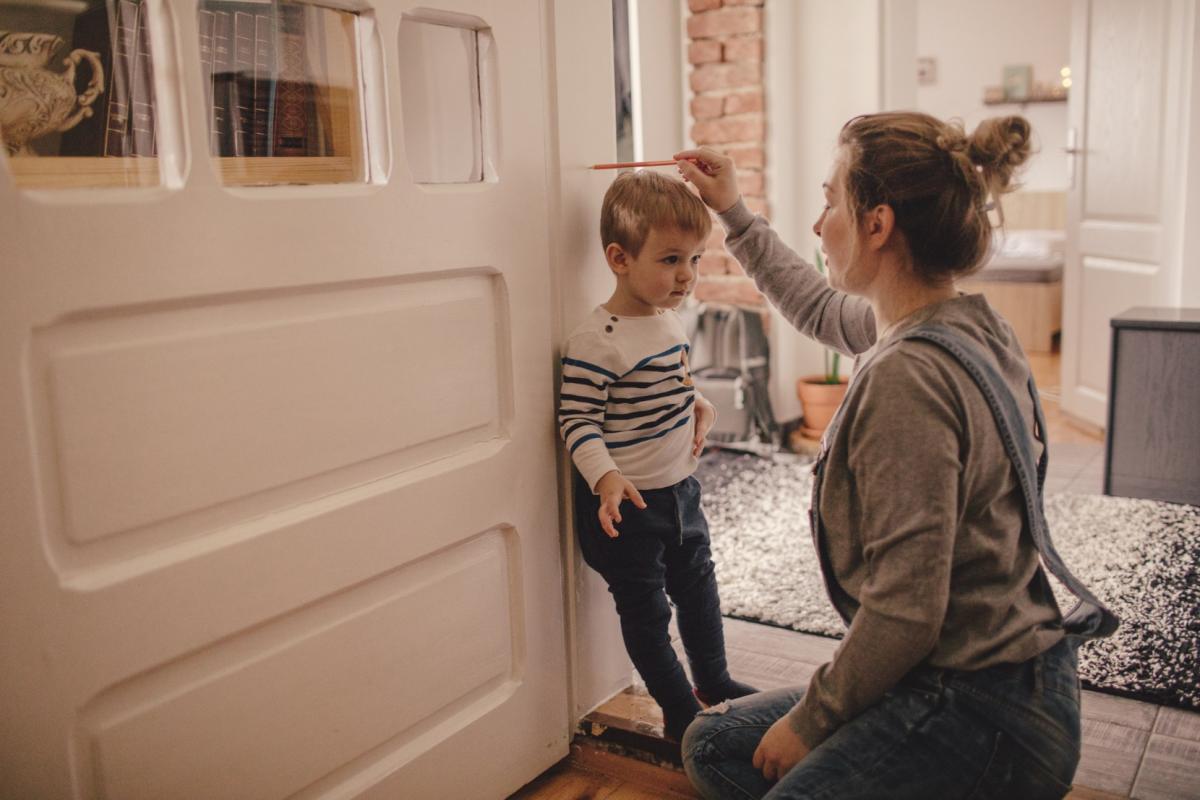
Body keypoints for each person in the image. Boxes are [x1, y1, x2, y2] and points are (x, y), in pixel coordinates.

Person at [672, 113, 1118, 799]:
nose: (820, 226)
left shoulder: (907, 378)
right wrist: (732, 210)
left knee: (767, 759)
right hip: (992, 677)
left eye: (830, 203)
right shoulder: (963, 321)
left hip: (986, 708)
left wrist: (814, 721)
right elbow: (819, 307)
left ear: (877, 224)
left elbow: (906, 612)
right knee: (716, 744)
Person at [559, 170, 758, 742]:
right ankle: (679, 710)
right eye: (671, 259)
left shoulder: (667, 321)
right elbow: (578, 420)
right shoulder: (598, 341)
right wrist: (606, 478)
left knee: (700, 587)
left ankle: (714, 681)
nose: (687, 276)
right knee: (646, 613)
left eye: (694, 260)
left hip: (681, 491)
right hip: (629, 505)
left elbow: (666, 381)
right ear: (619, 258)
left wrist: (697, 402)